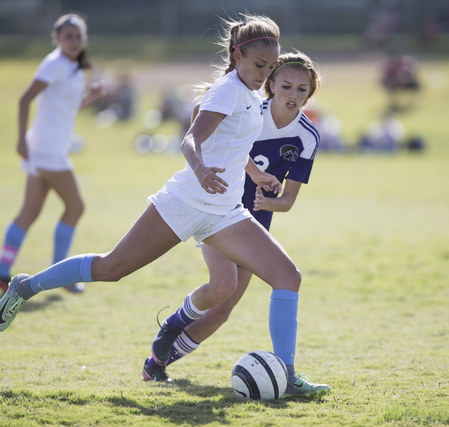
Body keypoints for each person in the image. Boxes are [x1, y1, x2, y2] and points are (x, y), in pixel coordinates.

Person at [0, 14, 327, 397]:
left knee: (288, 277)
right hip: (185, 201)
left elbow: (234, 146)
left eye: (270, 67)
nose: (264, 74)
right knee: (111, 267)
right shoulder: (227, 91)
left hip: (225, 212)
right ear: (237, 57)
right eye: (259, 66)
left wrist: (254, 173)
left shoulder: (254, 95)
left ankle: (286, 373)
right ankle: (26, 285)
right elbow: (191, 140)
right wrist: (201, 170)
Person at [141, 52, 330, 399]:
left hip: (253, 224)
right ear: (270, 84)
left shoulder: (307, 137)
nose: (292, 94)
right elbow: (201, 118)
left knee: (222, 309)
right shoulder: (248, 108)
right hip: (216, 209)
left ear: (310, 94)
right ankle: (170, 329)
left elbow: (286, 202)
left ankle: (157, 362)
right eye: (285, 85)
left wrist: (267, 201)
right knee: (222, 285)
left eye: (301, 90)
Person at [0, 14, 105, 295]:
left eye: (79, 36)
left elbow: (66, 111)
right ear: (56, 39)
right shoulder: (54, 63)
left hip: (48, 145)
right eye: (68, 36)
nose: (74, 41)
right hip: (47, 147)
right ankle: (59, 274)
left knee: (30, 211)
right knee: (76, 207)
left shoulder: (72, 66)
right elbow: (24, 99)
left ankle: (1, 272)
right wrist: (19, 140)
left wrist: (91, 97)